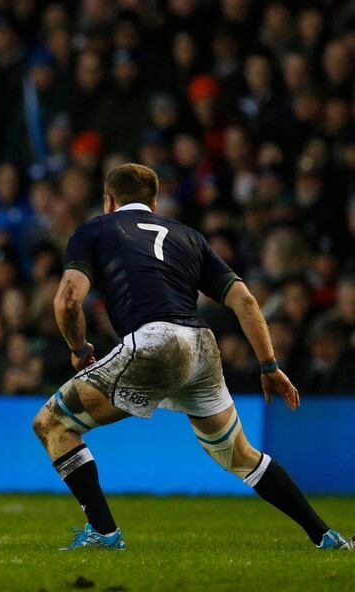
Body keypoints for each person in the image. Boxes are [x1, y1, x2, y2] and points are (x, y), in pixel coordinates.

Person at [31, 163, 352, 551]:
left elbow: (67, 302)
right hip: (201, 346)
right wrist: (270, 365)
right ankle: (326, 536)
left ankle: (104, 533)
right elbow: (246, 300)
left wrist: (79, 351)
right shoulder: (187, 236)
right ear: (155, 201)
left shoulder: (95, 229)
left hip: (153, 343)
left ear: (109, 201)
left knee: (52, 424)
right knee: (241, 455)